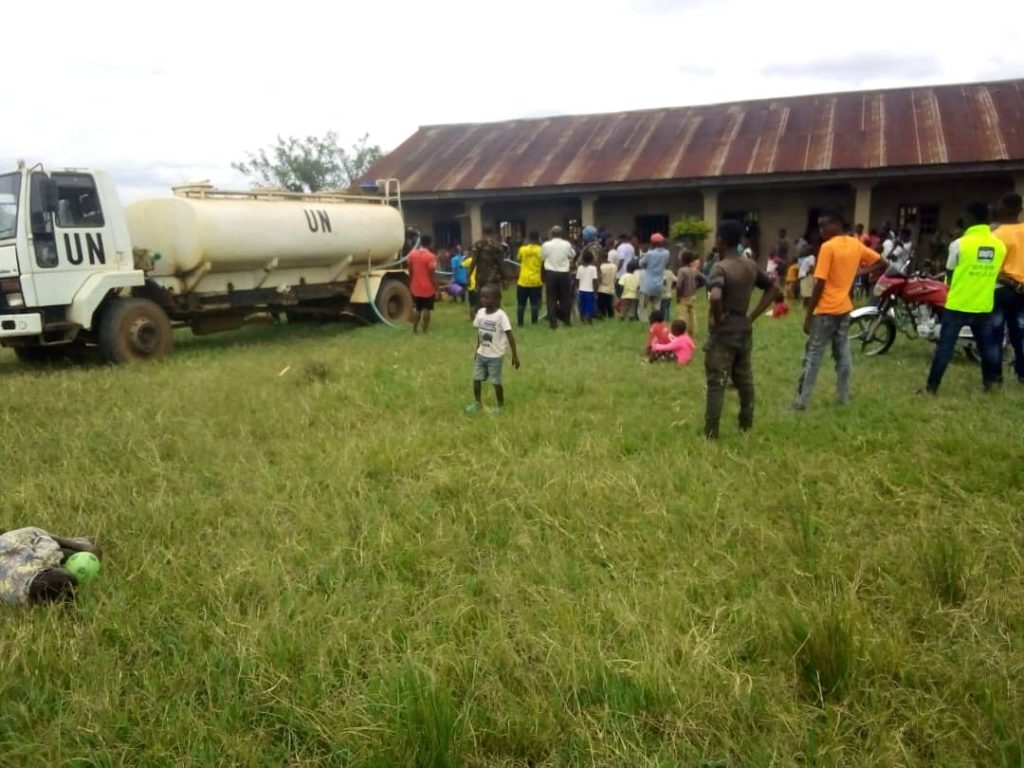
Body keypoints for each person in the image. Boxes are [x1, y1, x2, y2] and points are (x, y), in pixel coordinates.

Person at [793, 210, 887, 410]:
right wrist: (858, 273)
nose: (821, 230)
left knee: (813, 356)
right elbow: (882, 263)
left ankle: (801, 402)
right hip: (844, 308)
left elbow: (820, 283)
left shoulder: (828, 247)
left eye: (824, 225)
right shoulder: (855, 244)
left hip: (825, 310)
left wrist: (808, 316)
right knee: (843, 354)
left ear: (836, 224)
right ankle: (842, 398)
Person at [704, 220, 778, 438]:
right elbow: (773, 288)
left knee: (717, 382)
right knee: (744, 378)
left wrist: (718, 320)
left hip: (724, 331)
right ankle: (746, 423)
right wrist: (752, 316)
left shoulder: (720, 267)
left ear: (720, 239)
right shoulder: (750, 265)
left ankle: (711, 431)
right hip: (743, 328)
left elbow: (715, 296)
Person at [922, 201, 1006, 394]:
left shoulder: (959, 244)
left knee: (945, 347)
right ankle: (989, 384)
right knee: (986, 347)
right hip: (983, 304)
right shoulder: (999, 246)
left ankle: (931, 388)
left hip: (958, 304)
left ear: (970, 217)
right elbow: (995, 273)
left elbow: (949, 273)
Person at [1, 527, 102, 605]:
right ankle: (80, 542)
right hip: (16, 549)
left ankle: (80, 542)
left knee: (53, 547)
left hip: (19, 542)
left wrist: (82, 546)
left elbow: (42, 537)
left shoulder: (43, 559)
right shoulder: (16, 598)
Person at [466, 285, 520, 414]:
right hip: (481, 354)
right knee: (476, 379)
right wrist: (477, 349)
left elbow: (510, 335)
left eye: (487, 297)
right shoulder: (480, 313)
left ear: (497, 299)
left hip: (495, 356)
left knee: (496, 381)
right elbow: (480, 333)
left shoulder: (501, 316)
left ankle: (500, 406)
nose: (483, 300)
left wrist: (514, 355)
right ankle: (477, 403)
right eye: (482, 297)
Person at [992, 193, 1024, 384]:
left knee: (996, 335)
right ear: (1020, 209)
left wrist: (1012, 284)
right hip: (1023, 292)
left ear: (1003, 208)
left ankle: (995, 377)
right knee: (1021, 335)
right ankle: (1022, 374)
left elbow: (992, 269)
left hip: (1001, 290)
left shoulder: (996, 235)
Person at [541, 225, 575, 329]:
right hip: (564, 273)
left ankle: (553, 323)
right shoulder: (567, 244)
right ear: (561, 234)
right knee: (565, 298)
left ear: (551, 234)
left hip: (550, 273)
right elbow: (572, 255)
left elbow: (542, 256)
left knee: (551, 298)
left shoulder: (546, 245)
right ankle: (566, 321)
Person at [407, 234, 438, 334]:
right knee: (427, 309)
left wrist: (411, 281)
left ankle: (414, 330)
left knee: (418, 308)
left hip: (416, 286)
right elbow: (431, 273)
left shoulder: (412, 254)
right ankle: (425, 330)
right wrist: (436, 286)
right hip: (428, 287)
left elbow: (410, 268)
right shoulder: (431, 256)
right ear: (430, 243)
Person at [515, 230, 544, 327]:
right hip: (536, 280)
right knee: (534, 303)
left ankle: (520, 323)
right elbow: (544, 262)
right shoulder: (541, 250)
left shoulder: (522, 249)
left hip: (523, 280)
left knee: (521, 303)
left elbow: (518, 259)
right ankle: (534, 323)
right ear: (539, 238)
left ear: (528, 238)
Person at [638, 233, 669, 320]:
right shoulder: (666, 253)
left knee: (643, 306)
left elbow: (641, 263)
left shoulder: (650, 253)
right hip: (659, 283)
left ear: (653, 243)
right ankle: (656, 321)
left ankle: (644, 321)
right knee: (656, 306)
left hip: (647, 284)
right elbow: (666, 263)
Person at [468, 225, 506, 294]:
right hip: (494, 278)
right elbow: (501, 264)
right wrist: (504, 279)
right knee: (493, 298)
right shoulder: (497, 245)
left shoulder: (478, 244)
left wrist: (468, 276)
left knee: (482, 298)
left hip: (481, 279)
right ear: (493, 233)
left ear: (483, 232)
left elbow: (473, 262)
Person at [675, 256, 700, 338]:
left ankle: (682, 333)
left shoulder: (682, 270)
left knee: (683, 316)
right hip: (692, 295)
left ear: (683, 260)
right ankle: (692, 333)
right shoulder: (694, 270)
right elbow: (700, 280)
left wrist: (678, 296)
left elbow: (679, 285)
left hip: (684, 296)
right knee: (692, 316)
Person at [576, 251, 598, 324]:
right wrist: (595, 292)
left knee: (582, 306)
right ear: (592, 259)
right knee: (589, 307)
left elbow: (577, 280)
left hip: (581, 290)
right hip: (590, 291)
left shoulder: (579, 268)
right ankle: (588, 320)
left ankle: (583, 319)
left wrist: (578, 288)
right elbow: (594, 281)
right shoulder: (593, 268)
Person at [597, 253, 617, 319]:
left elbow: (599, 278)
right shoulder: (614, 266)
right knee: (610, 306)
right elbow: (615, 278)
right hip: (611, 289)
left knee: (602, 306)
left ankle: (603, 318)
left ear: (601, 258)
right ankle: (611, 318)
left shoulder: (601, 267)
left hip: (601, 289)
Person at [797, 244, 816, 308]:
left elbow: (812, 267)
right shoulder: (805, 258)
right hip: (803, 276)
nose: (804, 250)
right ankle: (804, 305)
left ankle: (806, 306)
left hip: (807, 276)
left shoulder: (811, 257)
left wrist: (806, 273)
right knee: (804, 291)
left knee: (807, 292)